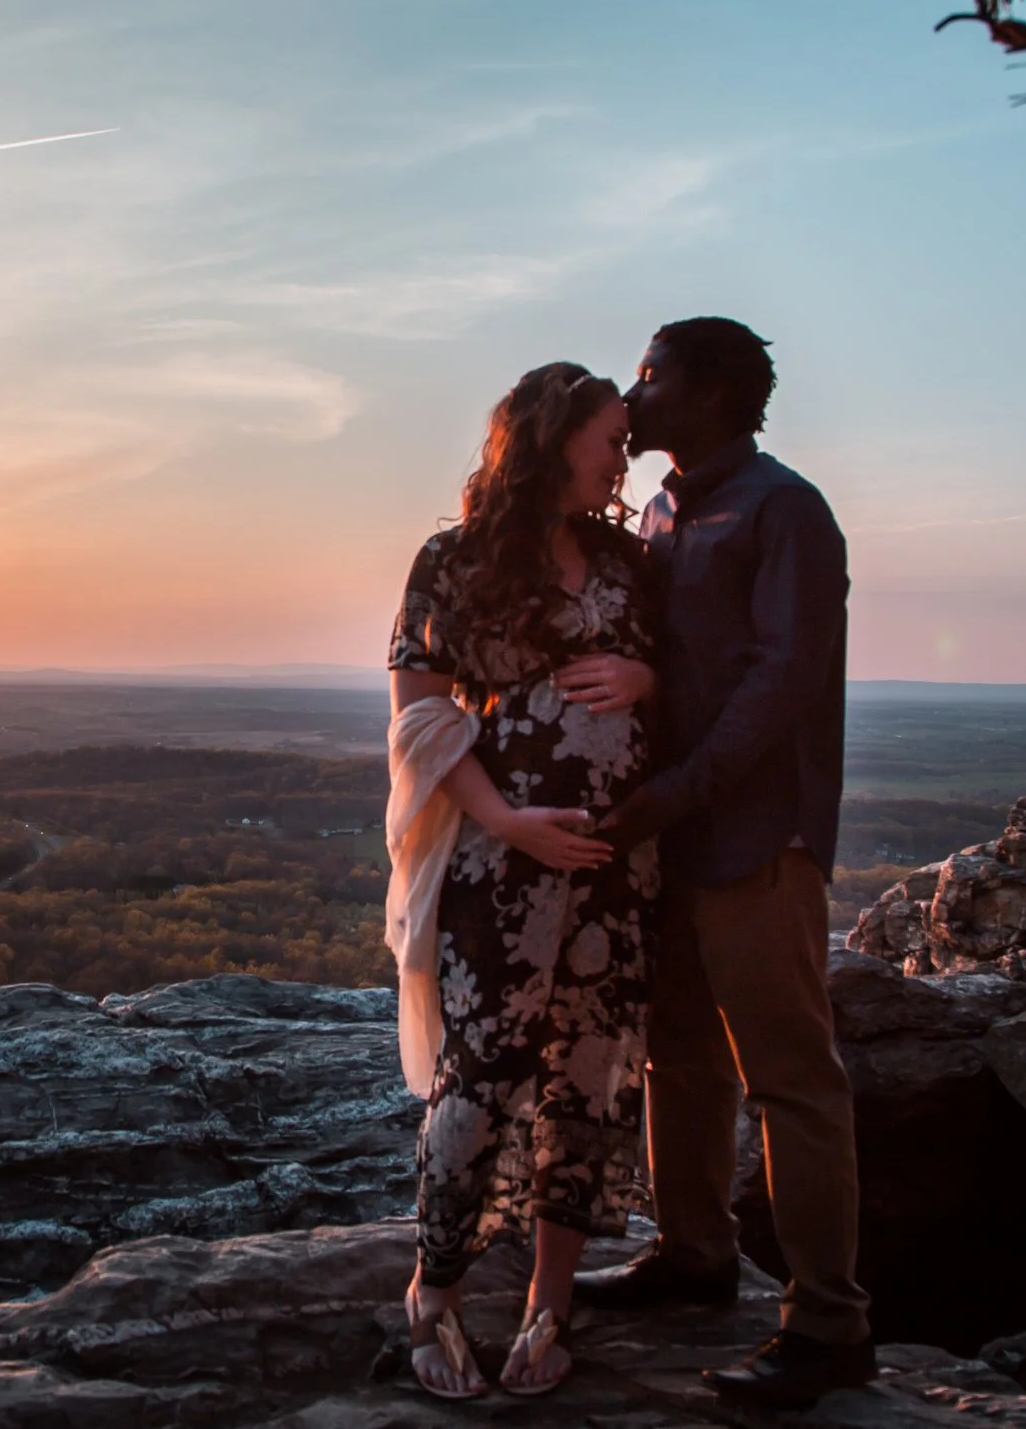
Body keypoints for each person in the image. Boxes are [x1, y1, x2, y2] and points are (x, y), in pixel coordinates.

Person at [562, 316, 874, 1408]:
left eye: (649, 375)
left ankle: (829, 1323)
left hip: (756, 837)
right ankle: (693, 1256)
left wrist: (672, 795)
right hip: (674, 836)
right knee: (678, 1058)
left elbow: (780, 682)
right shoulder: (659, 508)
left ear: (707, 389)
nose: (632, 394)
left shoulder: (783, 509)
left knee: (793, 1083)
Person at [383, 361, 663, 1400]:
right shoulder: (455, 560)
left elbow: (694, 671)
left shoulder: (627, 563)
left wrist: (649, 675)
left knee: (586, 1077)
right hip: (501, 866)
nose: (621, 460)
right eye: (609, 440)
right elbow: (417, 706)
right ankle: (435, 1289)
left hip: (615, 868)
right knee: (484, 1076)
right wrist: (505, 819)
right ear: (549, 438)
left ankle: (551, 1298)